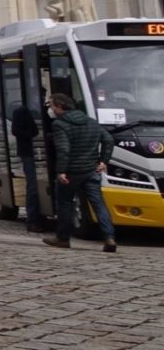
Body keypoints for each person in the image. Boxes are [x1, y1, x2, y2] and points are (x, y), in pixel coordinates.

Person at [43, 85, 117, 253]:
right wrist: (104, 161)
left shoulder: (60, 124)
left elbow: (63, 149)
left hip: (71, 172)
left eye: (52, 105)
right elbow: (108, 140)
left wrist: (61, 171)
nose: (51, 109)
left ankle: (62, 238)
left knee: (65, 203)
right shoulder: (91, 122)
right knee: (99, 204)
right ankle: (109, 238)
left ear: (60, 106)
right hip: (92, 170)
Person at [9, 96, 46, 232]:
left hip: (36, 152)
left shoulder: (37, 110)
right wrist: (30, 134)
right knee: (32, 186)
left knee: (35, 185)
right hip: (27, 152)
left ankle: (37, 216)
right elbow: (16, 130)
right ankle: (32, 219)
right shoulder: (21, 111)